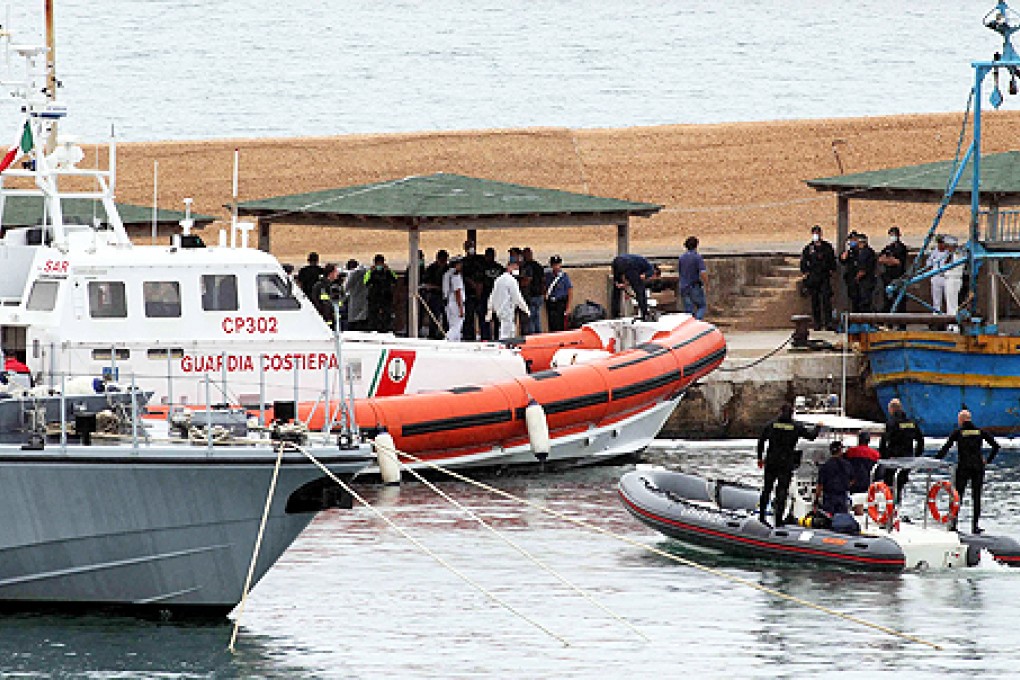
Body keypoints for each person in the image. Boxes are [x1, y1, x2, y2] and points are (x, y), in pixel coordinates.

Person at [936, 409, 1000, 534]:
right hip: (978, 467)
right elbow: (996, 446)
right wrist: (988, 460)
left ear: (960, 420)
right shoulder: (980, 431)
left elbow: (946, 448)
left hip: (963, 467)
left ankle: (954, 524)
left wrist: (935, 461)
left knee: (957, 496)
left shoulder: (958, 432)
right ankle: (975, 526)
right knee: (976, 497)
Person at [756, 403, 821, 526]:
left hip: (771, 461)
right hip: (786, 463)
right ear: (792, 413)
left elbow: (761, 442)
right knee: (782, 491)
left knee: (767, 489)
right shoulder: (796, 426)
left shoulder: (771, 425)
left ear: (780, 411)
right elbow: (811, 436)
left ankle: (762, 516)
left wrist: (760, 458)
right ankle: (778, 520)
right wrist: (818, 426)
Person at [878, 397, 925, 498]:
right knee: (900, 485)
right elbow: (920, 440)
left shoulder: (891, 423)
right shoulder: (912, 423)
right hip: (908, 460)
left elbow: (883, 442)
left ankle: (892, 508)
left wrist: (884, 457)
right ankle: (897, 504)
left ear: (891, 409)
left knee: (890, 486)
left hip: (894, 460)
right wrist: (916, 455)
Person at [799, 225, 837, 331]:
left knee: (826, 300)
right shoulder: (808, 248)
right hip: (813, 277)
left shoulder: (827, 247)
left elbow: (832, 261)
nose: (817, 235)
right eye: (815, 233)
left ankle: (828, 322)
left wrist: (831, 270)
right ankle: (817, 322)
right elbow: (804, 262)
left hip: (824, 276)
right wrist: (806, 273)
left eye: (818, 233)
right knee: (815, 301)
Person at [487, 261, 530, 340]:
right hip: (507, 310)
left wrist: (490, 308)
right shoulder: (511, 280)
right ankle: (505, 349)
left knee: (505, 330)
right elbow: (517, 297)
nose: (516, 269)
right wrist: (525, 309)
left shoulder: (498, 279)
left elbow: (492, 295)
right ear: (508, 267)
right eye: (515, 267)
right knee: (507, 333)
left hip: (500, 310)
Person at [611, 253, 656, 320]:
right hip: (629, 264)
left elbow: (629, 277)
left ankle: (615, 314)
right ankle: (645, 314)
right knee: (640, 291)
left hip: (617, 261)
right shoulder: (650, 270)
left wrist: (623, 284)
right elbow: (640, 277)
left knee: (616, 289)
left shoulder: (642, 262)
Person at [817, 440, 855, 515]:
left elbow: (820, 485)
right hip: (842, 496)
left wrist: (816, 500)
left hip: (829, 497)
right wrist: (845, 486)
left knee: (829, 519)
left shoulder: (825, 466)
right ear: (841, 451)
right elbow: (852, 480)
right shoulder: (847, 465)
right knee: (842, 519)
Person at [460, 240, 487, 341]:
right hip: (468, 294)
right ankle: (469, 338)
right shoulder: (463, 262)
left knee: (483, 318)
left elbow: (484, 275)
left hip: (481, 294)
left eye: (471, 246)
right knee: (469, 319)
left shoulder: (480, 260)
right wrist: (471, 283)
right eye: (468, 247)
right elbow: (462, 276)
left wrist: (479, 287)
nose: (470, 248)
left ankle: (485, 338)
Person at [363, 254, 398, 332]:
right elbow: (365, 282)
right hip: (374, 296)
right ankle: (373, 328)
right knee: (373, 314)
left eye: (381, 263)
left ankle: (386, 328)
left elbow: (395, 279)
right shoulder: (370, 272)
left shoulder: (388, 271)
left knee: (387, 314)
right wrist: (371, 272)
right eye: (378, 263)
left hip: (386, 296)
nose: (379, 265)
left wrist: (388, 270)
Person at [878, 226, 908, 314]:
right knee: (888, 299)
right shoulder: (888, 247)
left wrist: (889, 260)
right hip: (888, 276)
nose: (892, 237)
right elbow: (881, 259)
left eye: (894, 235)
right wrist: (889, 260)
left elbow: (898, 262)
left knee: (900, 299)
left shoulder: (901, 247)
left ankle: (902, 324)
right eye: (891, 235)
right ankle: (888, 322)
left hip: (899, 276)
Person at [677, 236, 708, 320]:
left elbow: (680, 272)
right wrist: (706, 284)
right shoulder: (697, 257)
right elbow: (703, 272)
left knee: (688, 310)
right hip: (694, 286)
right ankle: (697, 321)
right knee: (702, 306)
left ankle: (690, 324)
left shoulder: (681, 258)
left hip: (684, 286)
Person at [422, 250, 449, 339]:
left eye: (444, 260)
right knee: (434, 316)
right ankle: (432, 334)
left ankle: (445, 333)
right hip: (434, 296)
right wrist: (436, 287)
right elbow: (426, 284)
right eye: (441, 260)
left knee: (446, 317)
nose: (443, 262)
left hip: (446, 296)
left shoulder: (448, 269)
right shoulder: (431, 268)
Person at [480, 247, 505, 339]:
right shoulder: (499, 268)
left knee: (490, 319)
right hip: (492, 297)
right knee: (492, 319)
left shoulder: (483, 268)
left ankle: (488, 338)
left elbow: (479, 284)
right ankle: (493, 337)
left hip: (490, 297)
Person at [521, 247, 546, 335]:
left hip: (531, 296)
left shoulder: (527, 266)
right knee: (536, 318)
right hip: (539, 295)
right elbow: (543, 281)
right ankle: (538, 336)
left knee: (530, 319)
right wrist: (543, 294)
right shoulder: (538, 266)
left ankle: (533, 337)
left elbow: (527, 281)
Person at [544, 255, 573, 332]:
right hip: (551, 303)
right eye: (554, 265)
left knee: (560, 325)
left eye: (557, 264)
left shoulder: (564, 276)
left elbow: (570, 290)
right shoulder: (548, 275)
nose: (556, 267)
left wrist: (568, 308)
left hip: (560, 302)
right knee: (551, 323)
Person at [309, 263, 342, 329]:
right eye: (336, 272)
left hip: (332, 317)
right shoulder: (321, 286)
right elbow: (317, 301)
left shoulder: (334, 285)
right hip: (325, 318)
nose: (337, 274)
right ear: (331, 273)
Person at [443, 256, 466, 341]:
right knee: (457, 325)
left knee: (452, 324)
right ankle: (448, 338)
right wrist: (460, 308)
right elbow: (458, 292)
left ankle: (454, 341)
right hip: (456, 303)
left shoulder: (446, 274)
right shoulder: (456, 275)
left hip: (449, 302)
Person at [943, 236, 965, 320]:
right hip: (949, 278)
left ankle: (954, 323)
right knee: (949, 303)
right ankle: (951, 324)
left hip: (954, 278)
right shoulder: (951, 255)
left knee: (952, 303)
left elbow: (952, 266)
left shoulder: (958, 254)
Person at [344, 259, 369, 331]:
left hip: (354, 307)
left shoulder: (352, 275)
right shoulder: (366, 272)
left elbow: (345, 288)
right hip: (365, 307)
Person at [927, 235, 949, 313]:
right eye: (939, 243)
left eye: (942, 243)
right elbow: (928, 264)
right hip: (936, 277)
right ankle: (936, 317)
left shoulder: (948, 253)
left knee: (948, 299)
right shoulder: (933, 252)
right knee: (936, 301)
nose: (940, 245)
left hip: (946, 277)